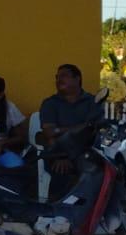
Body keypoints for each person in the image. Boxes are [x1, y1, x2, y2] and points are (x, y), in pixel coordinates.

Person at [37, 63, 104, 199]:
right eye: (57, 77)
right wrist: (61, 155)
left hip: (85, 153)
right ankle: (56, 213)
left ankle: (87, 214)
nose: (59, 80)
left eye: (64, 76)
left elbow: (93, 132)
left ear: (77, 79)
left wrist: (60, 130)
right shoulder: (50, 103)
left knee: (93, 170)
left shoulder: (92, 102)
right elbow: (49, 133)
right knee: (60, 170)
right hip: (56, 154)